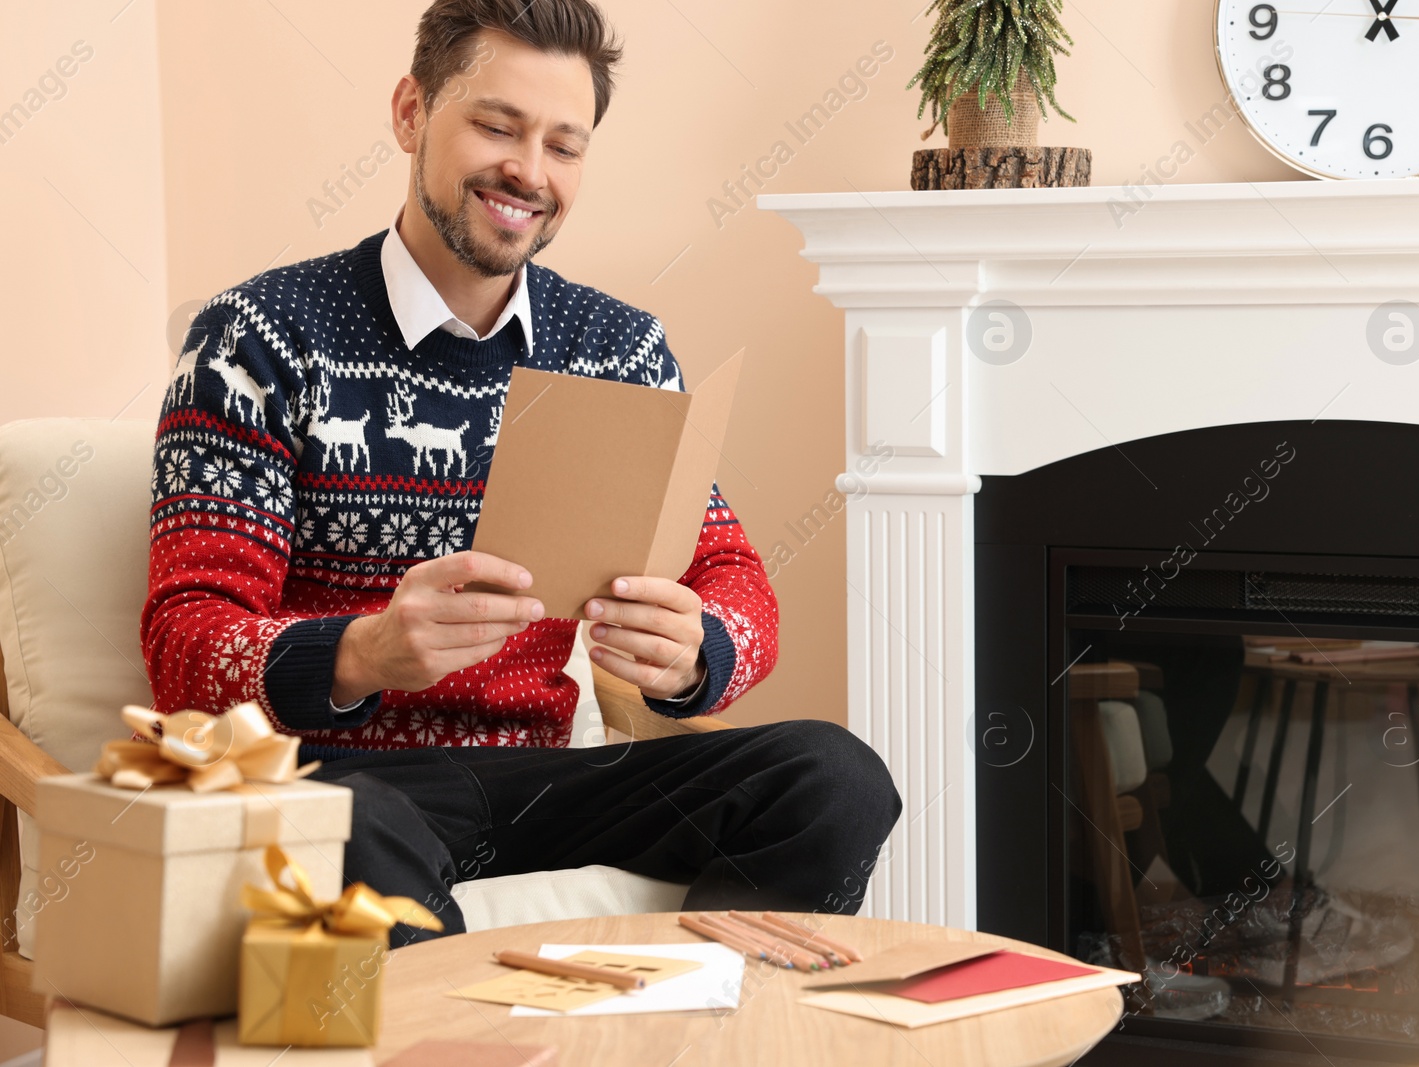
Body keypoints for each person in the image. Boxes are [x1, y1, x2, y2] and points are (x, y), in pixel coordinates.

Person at [140, 0, 900, 945]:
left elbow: (738, 580)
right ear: (412, 113)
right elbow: (183, 641)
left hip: (541, 780)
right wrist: (365, 651)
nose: (529, 173)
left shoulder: (616, 348)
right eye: (497, 126)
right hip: (341, 780)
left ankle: (699, 1026)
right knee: (351, 833)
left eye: (564, 146)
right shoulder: (256, 339)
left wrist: (696, 650)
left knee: (836, 778)